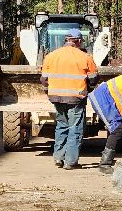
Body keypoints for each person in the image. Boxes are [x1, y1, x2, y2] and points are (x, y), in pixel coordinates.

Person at [40, 27, 98, 169]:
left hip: (56, 98)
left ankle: (58, 158)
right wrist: (88, 90)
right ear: (78, 41)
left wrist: (50, 91)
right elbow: (94, 78)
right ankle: (71, 162)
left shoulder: (51, 56)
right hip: (76, 99)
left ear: (66, 40)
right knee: (75, 129)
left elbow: (43, 79)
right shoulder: (85, 57)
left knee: (61, 126)